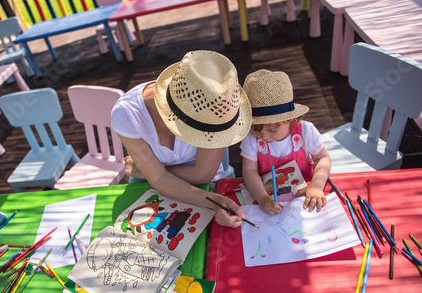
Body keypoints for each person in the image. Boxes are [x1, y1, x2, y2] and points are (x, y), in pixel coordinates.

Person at [111, 50, 252, 228]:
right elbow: (160, 179)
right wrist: (154, 175)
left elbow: (203, 175)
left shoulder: (218, 106)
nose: (206, 137)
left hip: (202, 187)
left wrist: (148, 172)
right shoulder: (126, 113)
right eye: (201, 133)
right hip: (154, 193)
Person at [240, 69, 331, 214]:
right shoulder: (251, 137)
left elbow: (322, 158)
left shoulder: (305, 132)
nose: (264, 136)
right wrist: (262, 197)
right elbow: (249, 170)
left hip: (305, 194)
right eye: (256, 129)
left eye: (272, 130)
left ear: (290, 119)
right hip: (268, 196)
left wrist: (316, 185)